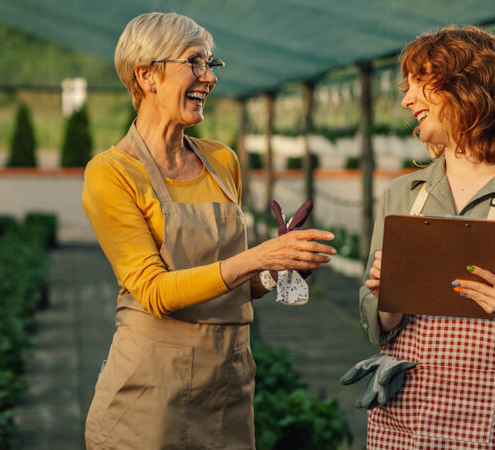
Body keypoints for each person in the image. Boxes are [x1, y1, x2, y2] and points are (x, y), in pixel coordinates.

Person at [81, 12, 335, 449]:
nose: (209, 78)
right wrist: (259, 256)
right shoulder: (112, 173)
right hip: (151, 394)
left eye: (212, 64)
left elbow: (237, 285)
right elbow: (155, 291)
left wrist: (277, 270)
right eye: (195, 63)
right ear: (147, 76)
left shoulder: (222, 162)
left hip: (227, 387)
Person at [359, 26, 495, 449]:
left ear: (467, 86)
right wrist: (387, 298)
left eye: (421, 84)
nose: (407, 101)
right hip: (407, 408)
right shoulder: (402, 195)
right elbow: (376, 321)